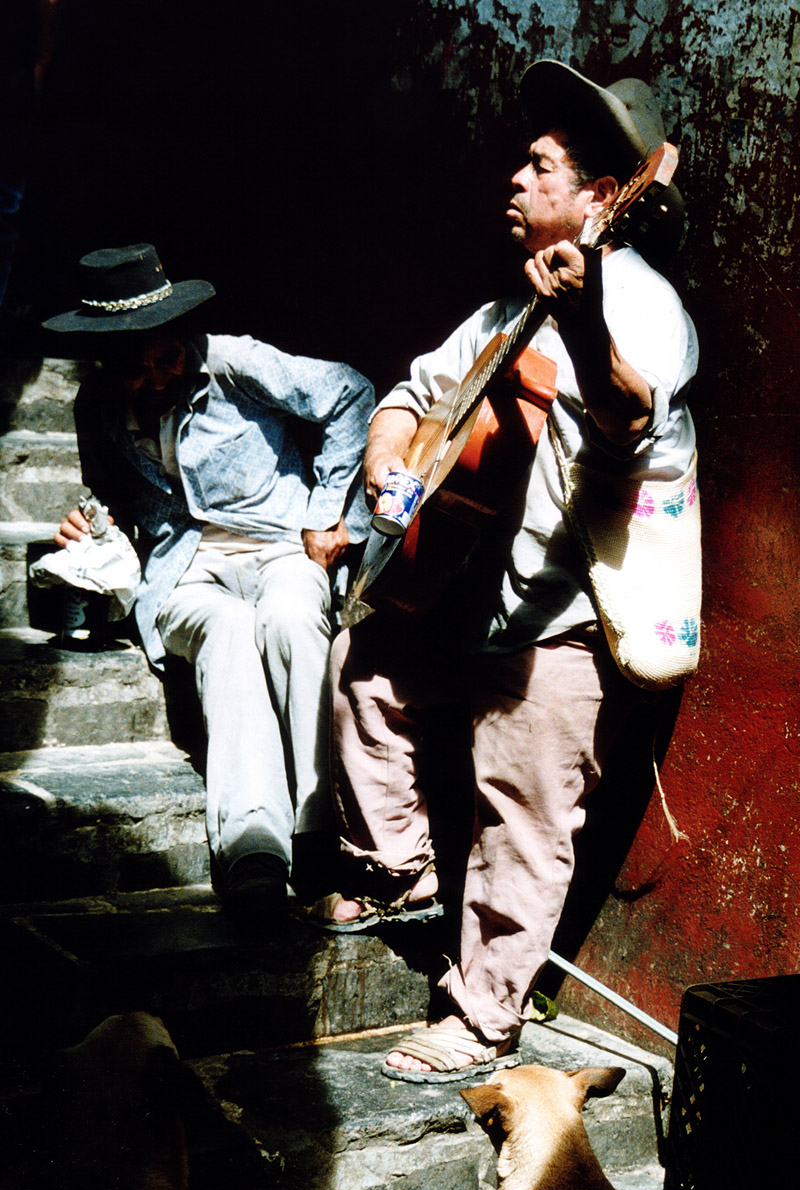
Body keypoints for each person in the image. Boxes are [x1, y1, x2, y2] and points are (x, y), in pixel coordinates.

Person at [318, 61, 698, 1080]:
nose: (515, 181)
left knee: (522, 811)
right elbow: (410, 394)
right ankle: (396, 871)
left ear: (603, 197)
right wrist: (389, 459)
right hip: (466, 593)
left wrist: (582, 317)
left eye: (539, 167)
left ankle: (483, 1019)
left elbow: (625, 420)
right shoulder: (500, 311)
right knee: (362, 667)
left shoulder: (641, 305)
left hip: (570, 612)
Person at [43, 243, 374, 916]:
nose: (157, 378)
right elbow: (110, 495)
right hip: (185, 570)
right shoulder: (99, 406)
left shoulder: (235, 363)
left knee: (289, 616)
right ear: (106, 361)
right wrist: (87, 524)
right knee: (227, 633)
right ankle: (254, 846)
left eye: (167, 357)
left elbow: (351, 394)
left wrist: (328, 512)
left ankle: (317, 828)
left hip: (282, 545)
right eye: (135, 369)